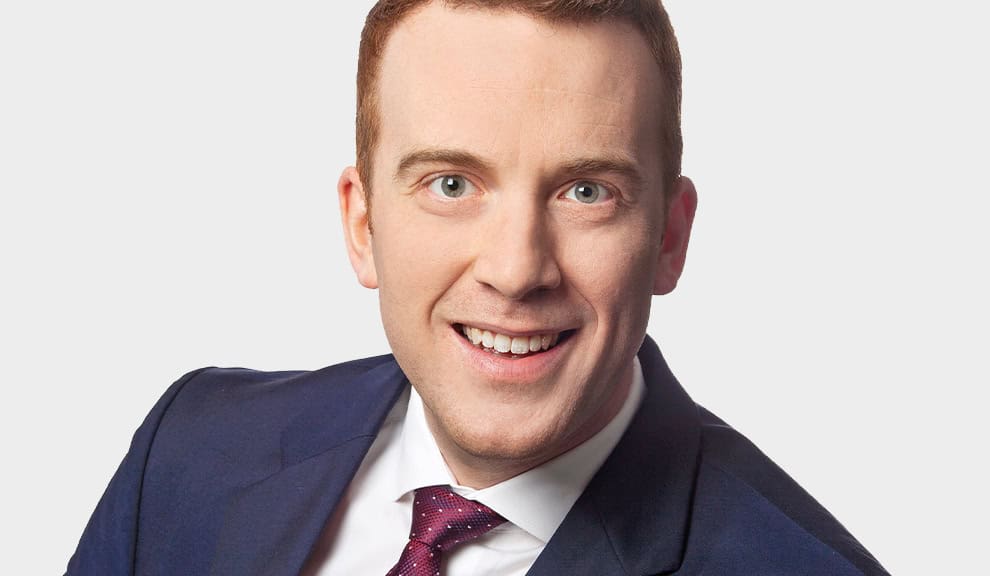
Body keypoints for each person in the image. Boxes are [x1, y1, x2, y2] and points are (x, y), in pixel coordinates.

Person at [66, 1, 890, 575]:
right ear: (362, 224)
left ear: (669, 239)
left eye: (586, 192)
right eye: (452, 184)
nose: (516, 269)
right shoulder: (187, 453)